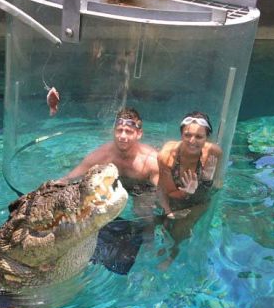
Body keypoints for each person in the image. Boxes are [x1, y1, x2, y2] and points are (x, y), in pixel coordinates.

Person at [156, 111, 223, 269]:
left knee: (180, 229)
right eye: (188, 135)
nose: (192, 141)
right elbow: (167, 191)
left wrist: (205, 181)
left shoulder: (213, 153)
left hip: (199, 198)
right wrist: (183, 196)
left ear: (207, 138)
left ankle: (173, 253)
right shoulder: (166, 156)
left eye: (199, 137)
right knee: (165, 226)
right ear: (181, 134)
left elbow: (214, 187)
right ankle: (165, 246)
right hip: (172, 196)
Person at [64, 107, 159, 193]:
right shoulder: (102, 155)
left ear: (139, 134)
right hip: (111, 186)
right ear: (114, 131)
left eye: (128, 132)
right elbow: (69, 179)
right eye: (119, 130)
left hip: (143, 189)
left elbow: (165, 191)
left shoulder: (151, 161)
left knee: (143, 211)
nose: (122, 136)